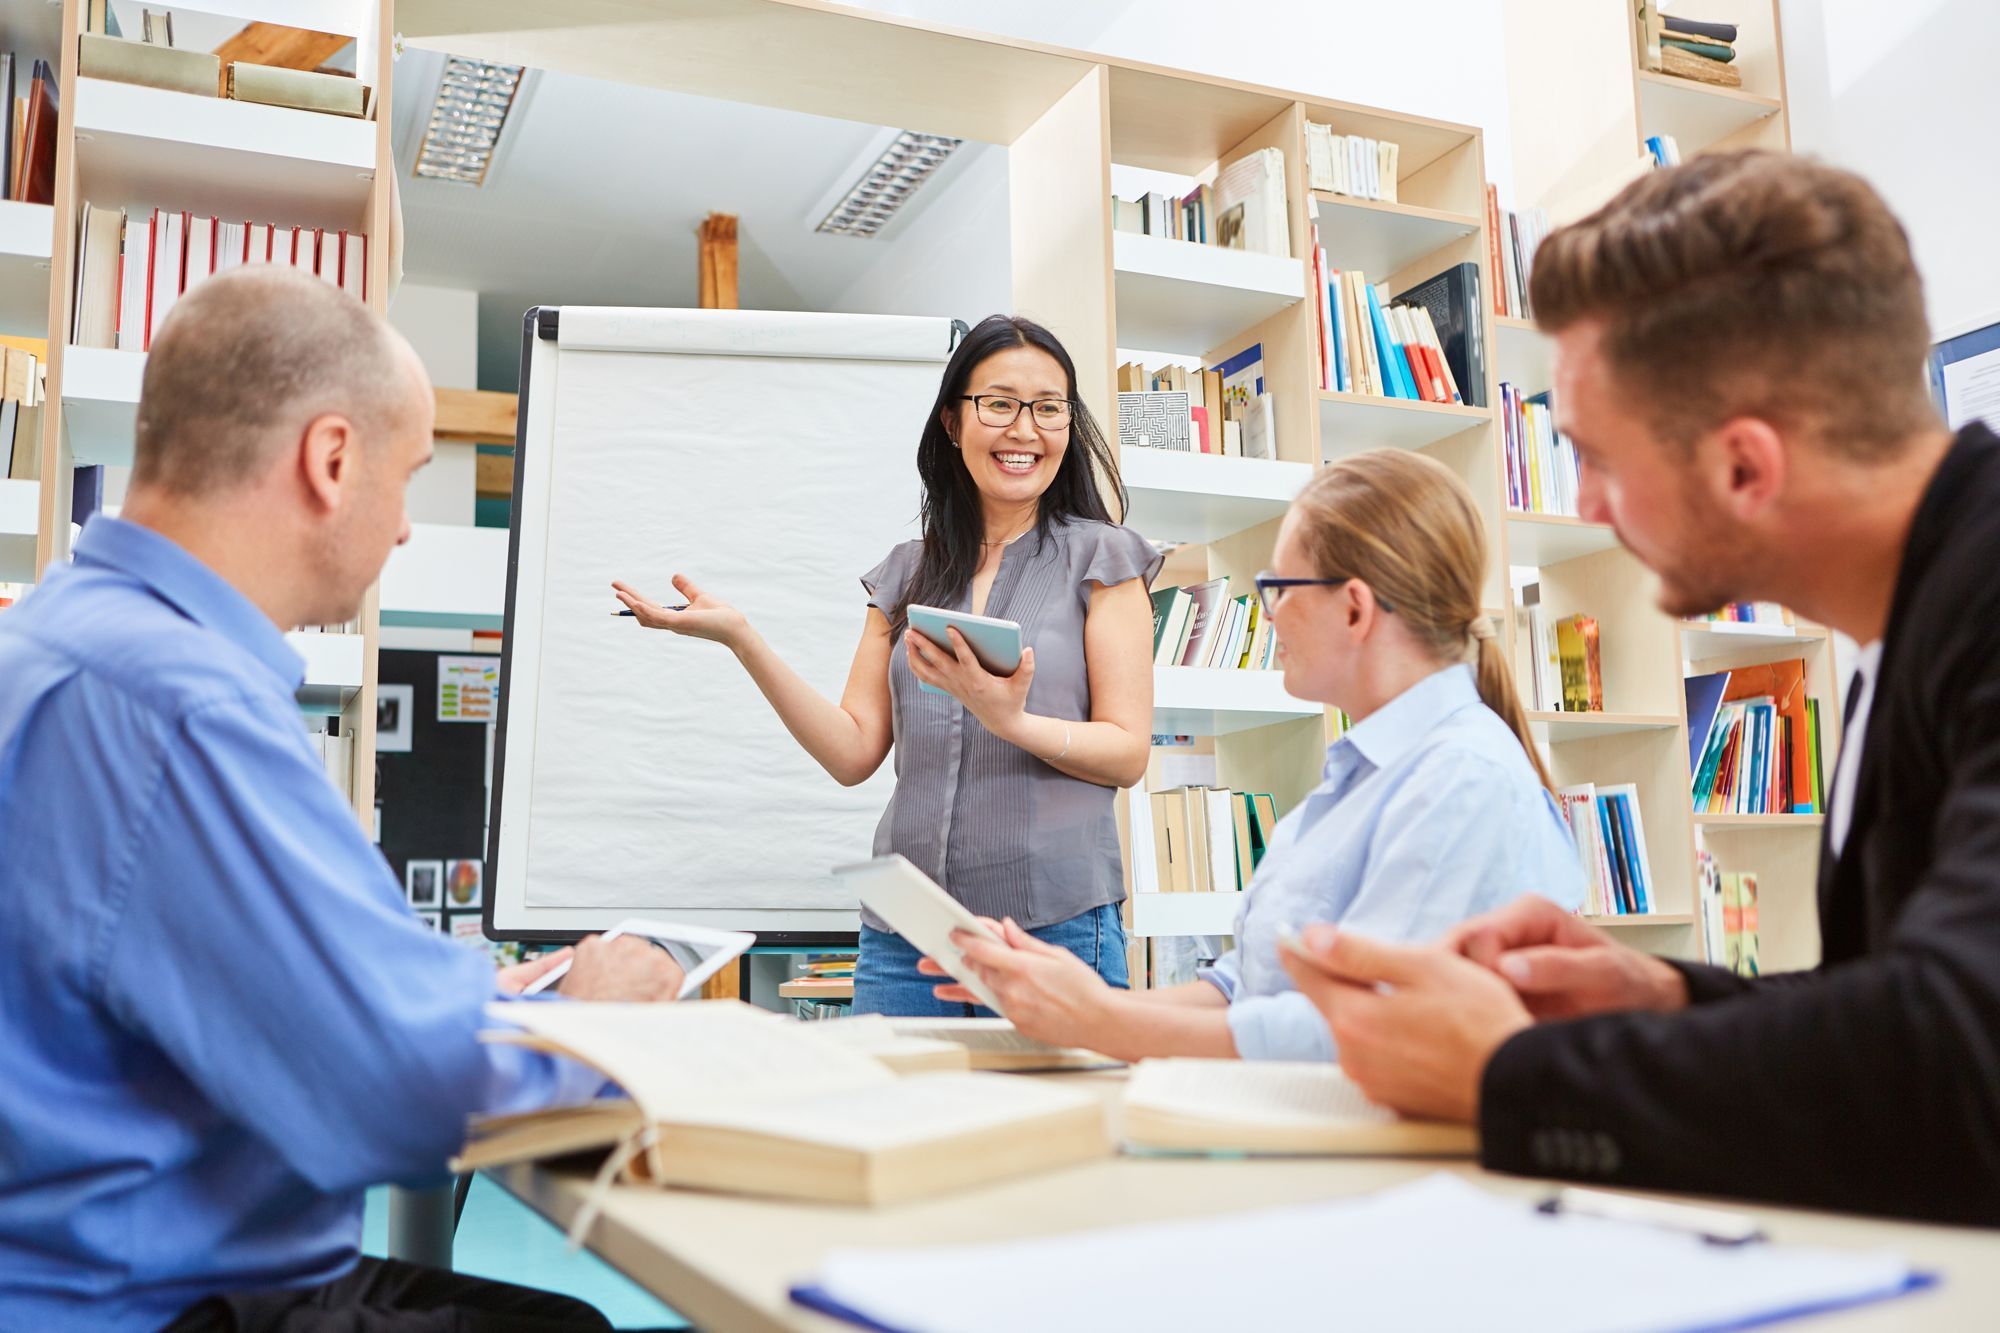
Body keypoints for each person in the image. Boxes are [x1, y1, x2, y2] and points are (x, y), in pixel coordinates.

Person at [1279, 150, 2000, 1226]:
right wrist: (1663, 995)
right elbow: (1895, 1000)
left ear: (1742, 467)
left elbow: (1960, 1055)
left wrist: (1513, 1076)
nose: (1586, 505)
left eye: (1595, 457)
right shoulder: (1907, 620)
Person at [0, 267, 686, 1332]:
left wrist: (461, 996)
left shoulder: (54, 643)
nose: (405, 528)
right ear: (329, 461)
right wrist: (590, 1022)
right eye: (406, 479)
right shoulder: (182, 706)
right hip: (150, 1301)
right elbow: (396, 1098)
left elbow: (221, 986)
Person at [923, 449, 1585, 1060]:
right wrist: (1070, 998)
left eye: (1279, 589)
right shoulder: (1362, 777)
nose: (1268, 616)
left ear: (1355, 609)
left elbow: (1367, 1031)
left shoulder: (1463, 783)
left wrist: (1098, 1020)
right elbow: (1245, 990)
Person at [615, 315, 1158, 1014]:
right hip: (907, 938)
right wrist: (743, 639)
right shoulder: (907, 574)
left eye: (1049, 408)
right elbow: (852, 753)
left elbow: (1127, 752)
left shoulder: (1105, 559)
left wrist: (1011, 721)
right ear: (953, 422)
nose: (1025, 429)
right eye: (999, 403)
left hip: (1055, 928)